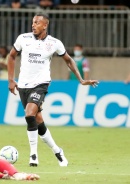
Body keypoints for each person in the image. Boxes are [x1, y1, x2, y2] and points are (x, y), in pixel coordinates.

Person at [7, 13, 98, 167]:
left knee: (29, 114)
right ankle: (57, 151)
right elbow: (11, 56)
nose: (33, 25)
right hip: (23, 85)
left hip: (41, 84)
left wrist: (81, 80)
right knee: (38, 120)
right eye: (33, 22)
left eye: (37, 23)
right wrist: (11, 79)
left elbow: (68, 60)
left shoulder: (54, 43)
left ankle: (33, 155)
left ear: (45, 25)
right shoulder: (23, 38)